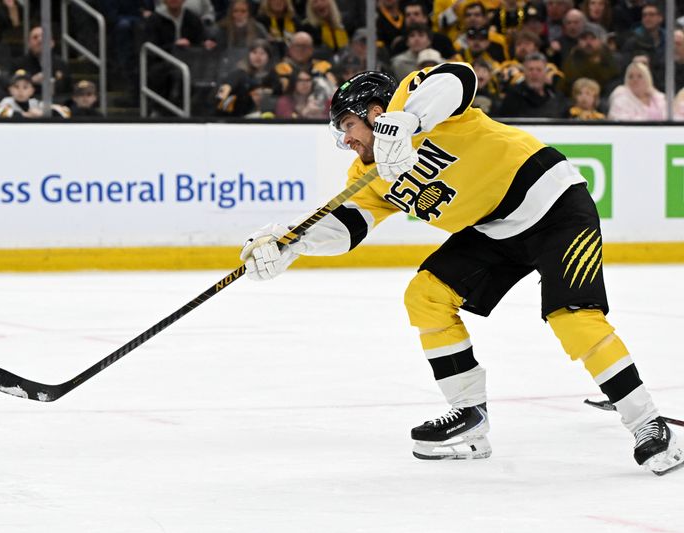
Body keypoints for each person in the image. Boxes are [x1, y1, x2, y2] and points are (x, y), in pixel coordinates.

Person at [238, 65, 684, 475]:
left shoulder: (414, 100)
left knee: (573, 318)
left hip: (555, 205)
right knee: (426, 295)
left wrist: (408, 122)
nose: (347, 141)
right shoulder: (369, 172)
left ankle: (648, 423)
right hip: (494, 227)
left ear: (374, 112)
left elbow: (459, 79)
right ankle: (470, 418)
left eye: (348, 127)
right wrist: (290, 243)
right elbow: (350, 224)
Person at [498, 52, 566, 117]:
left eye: (539, 70)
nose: (534, 73)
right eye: (530, 69)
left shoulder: (554, 95)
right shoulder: (513, 96)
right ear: (524, 72)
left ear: (545, 72)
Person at [0, 68, 70, 118]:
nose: (20, 91)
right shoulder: (7, 102)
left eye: (25, 87)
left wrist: (42, 114)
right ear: (10, 90)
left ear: (32, 91)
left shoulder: (35, 103)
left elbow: (66, 112)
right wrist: (27, 115)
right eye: (16, 87)